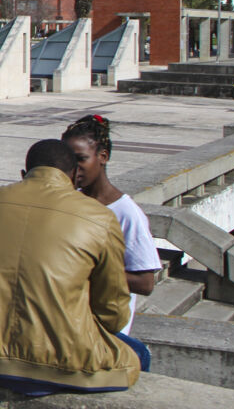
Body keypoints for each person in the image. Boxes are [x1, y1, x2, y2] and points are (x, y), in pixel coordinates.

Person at [0, 139, 149, 396]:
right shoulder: (99, 217)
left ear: (24, 175)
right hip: (63, 365)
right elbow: (112, 312)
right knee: (139, 354)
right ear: (73, 176)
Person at [62, 115, 162, 335]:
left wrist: (86, 269)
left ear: (103, 157)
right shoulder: (67, 202)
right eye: (68, 161)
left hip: (106, 332)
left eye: (81, 159)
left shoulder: (127, 213)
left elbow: (145, 283)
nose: (74, 169)